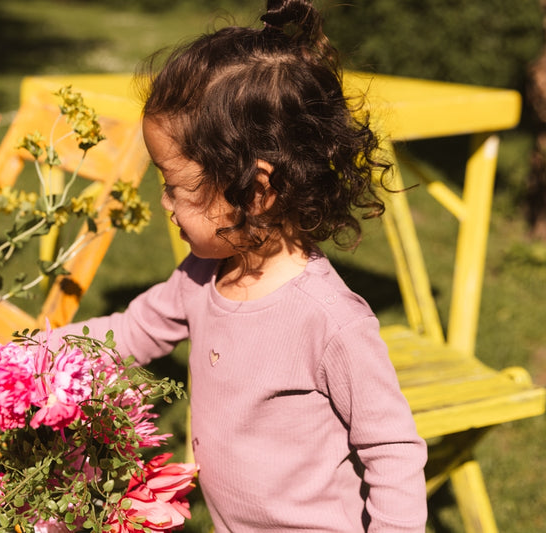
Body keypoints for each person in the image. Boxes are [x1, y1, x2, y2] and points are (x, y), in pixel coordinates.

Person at [52, 0, 427, 530]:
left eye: (175, 186)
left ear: (257, 190)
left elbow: (393, 452)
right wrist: (28, 358)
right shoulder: (202, 275)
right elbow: (129, 333)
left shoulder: (330, 322)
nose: (165, 203)